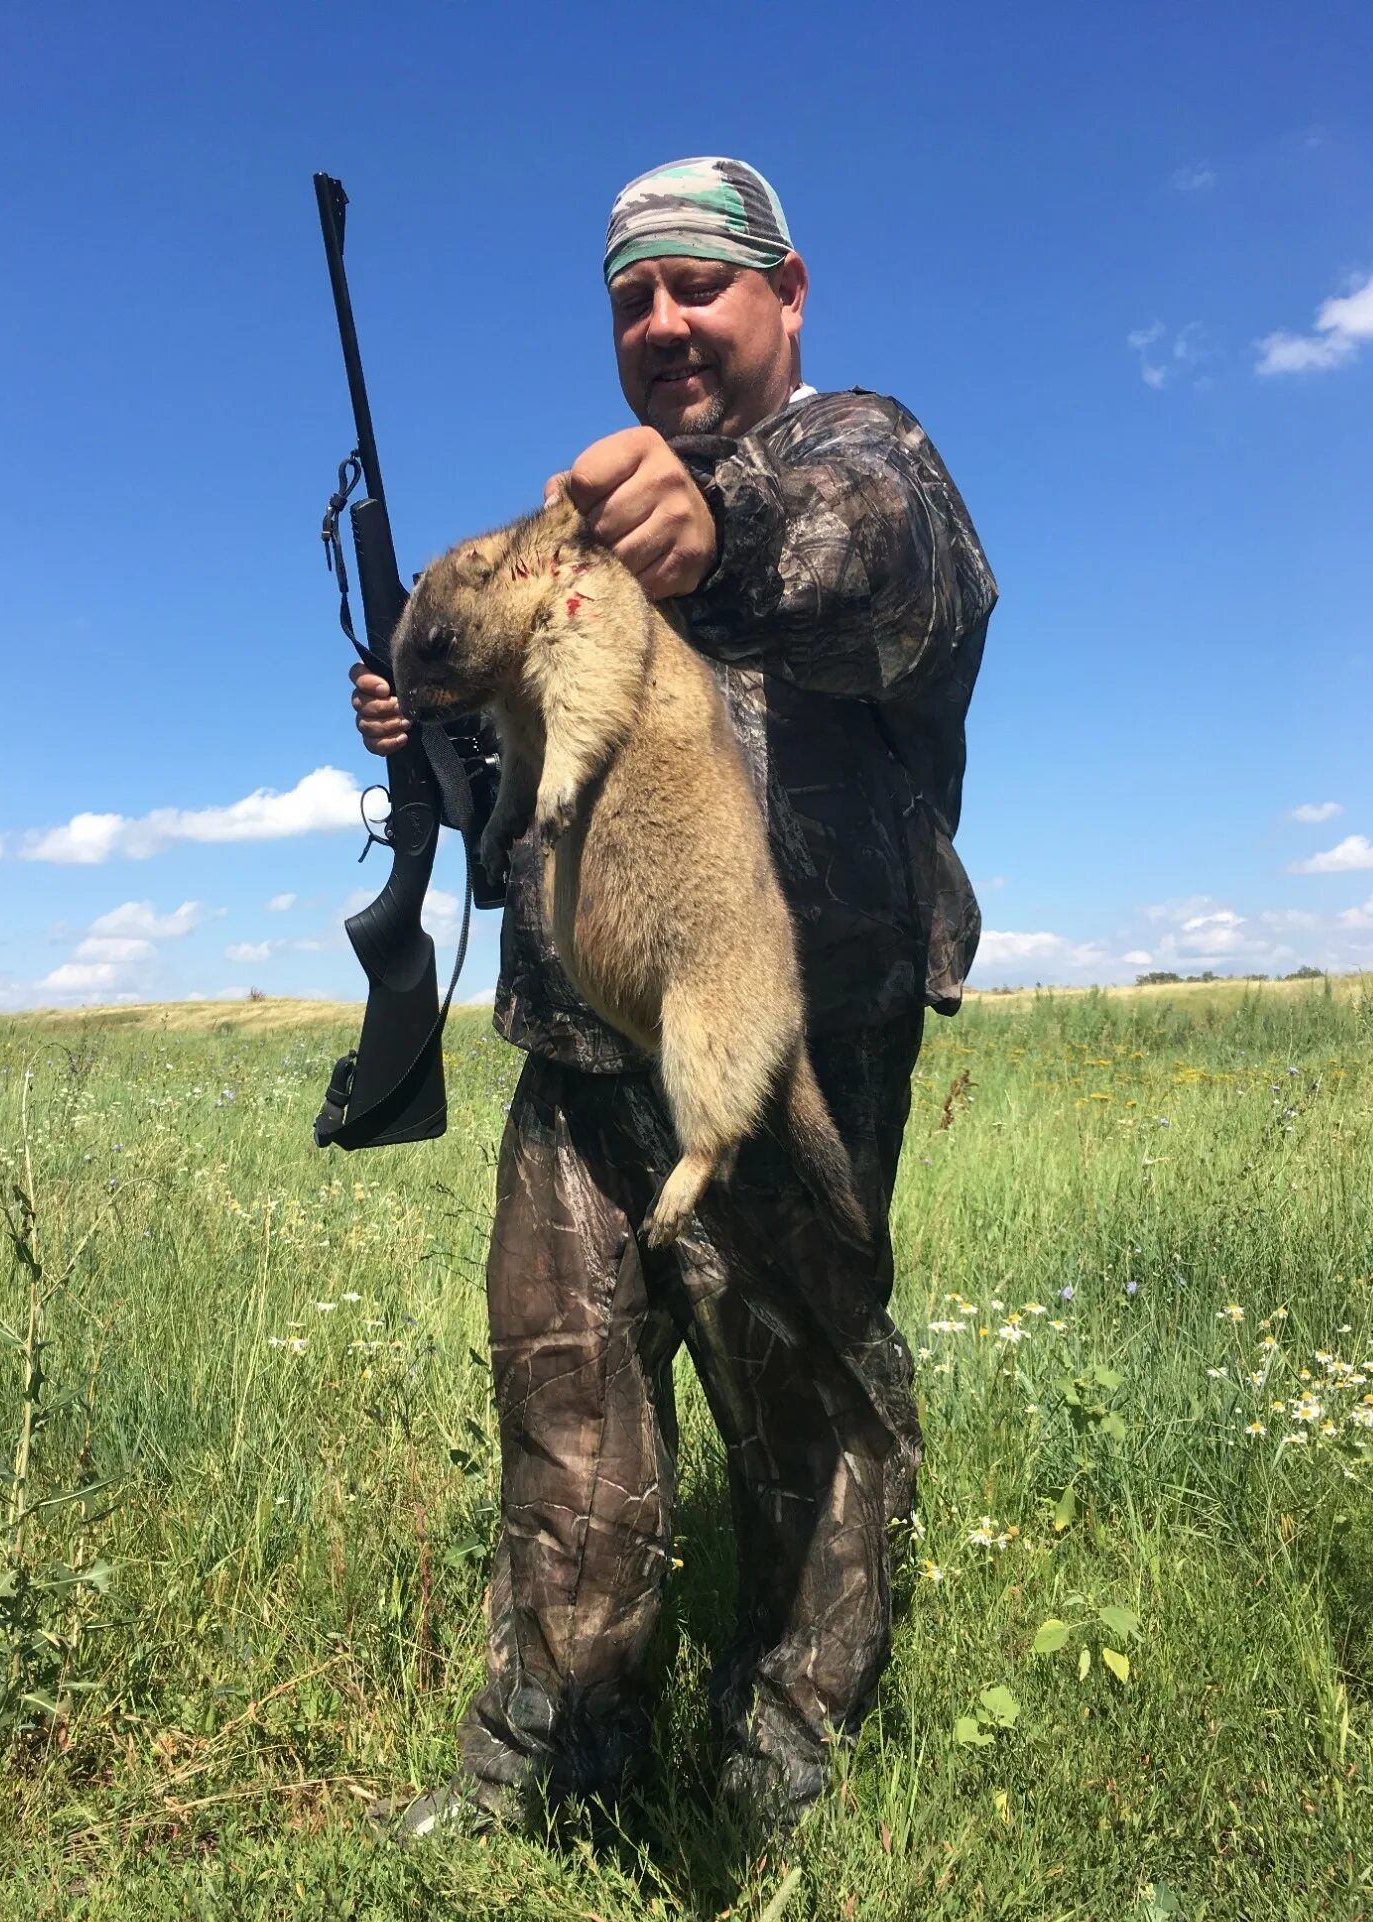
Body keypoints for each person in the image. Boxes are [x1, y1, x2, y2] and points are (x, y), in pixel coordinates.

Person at [350, 157, 997, 1836]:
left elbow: (891, 571)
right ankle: (552, 1746)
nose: (664, 322)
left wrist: (719, 530)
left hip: (779, 1039)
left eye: (699, 283)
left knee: (803, 1407)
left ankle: (792, 1736)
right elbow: (526, 811)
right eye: (631, 297)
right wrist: (438, 706)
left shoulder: (863, 461)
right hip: (577, 1045)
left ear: (788, 287)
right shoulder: (581, 539)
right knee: (563, 1397)